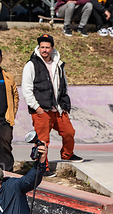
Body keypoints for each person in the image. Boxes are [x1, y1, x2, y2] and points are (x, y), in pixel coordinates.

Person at [21, 34, 84, 178]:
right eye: (42, 47)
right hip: (41, 110)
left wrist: (64, 104)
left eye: (47, 47)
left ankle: (67, 154)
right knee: (42, 140)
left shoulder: (58, 64)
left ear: (52, 48)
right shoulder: (31, 65)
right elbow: (26, 89)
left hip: (58, 109)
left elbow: (64, 85)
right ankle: (43, 168)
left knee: (69, 132)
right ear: (39, 48)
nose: (44, 50)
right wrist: (37, 108)